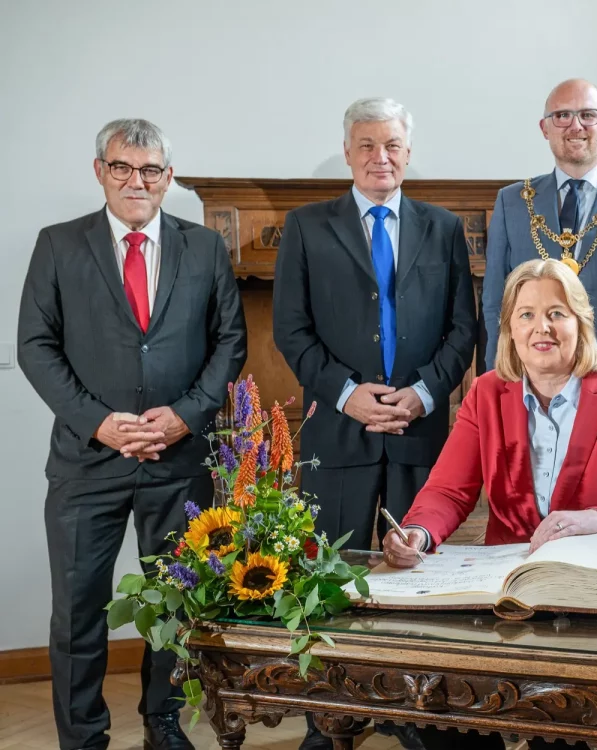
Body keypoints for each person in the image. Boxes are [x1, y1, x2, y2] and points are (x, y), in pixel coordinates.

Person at [382, 259, 597, 749]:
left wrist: (596, 520)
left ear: (580, 323)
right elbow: (449, 490)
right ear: (508, 329)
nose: (541, 327)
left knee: (561, 731)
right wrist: (419, 532)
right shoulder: (485, 394)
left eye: (556, 313)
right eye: (525, 315)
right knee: (439, 709)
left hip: (590, 601)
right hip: (506, 595)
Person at [17, 118, 247, 750]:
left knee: (174, 604)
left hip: (178, 462)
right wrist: (98, 421)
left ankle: (163, 723)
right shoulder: (59, 245)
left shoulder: (202, 247)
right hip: (87, 461)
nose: (135, 181)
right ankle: (82, 737)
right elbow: (35, 347)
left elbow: (230, 343)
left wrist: (185, 414)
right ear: (100, 171)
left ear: (168, 178)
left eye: (150, 170)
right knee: (78, 612)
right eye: (122, 167)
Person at [271, 97, 477, 750]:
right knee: (329, 583)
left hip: (420, 430)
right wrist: (344, 394)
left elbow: (462, 329)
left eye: (391, 144)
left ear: (408, 153)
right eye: (366, 145)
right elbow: (290, 329)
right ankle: (330, 719)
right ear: (348, 152)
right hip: (339, 432)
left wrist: (421, 394)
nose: (379, 157)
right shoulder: (306, 227)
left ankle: (412, 715)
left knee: (414, 583)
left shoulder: (444, 228)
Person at [481, 78, 597, 375]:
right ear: (545, 129)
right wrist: (499, 379)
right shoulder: (513, 202)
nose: (575, 126)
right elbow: (496, 303)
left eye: (588, 115)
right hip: (532, 376)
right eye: (562, 116)